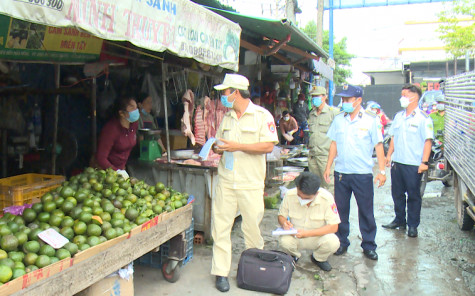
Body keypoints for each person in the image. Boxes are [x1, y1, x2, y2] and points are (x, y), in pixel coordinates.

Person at [211, 73, 278, 292]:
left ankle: (254, 270)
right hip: (227, 181)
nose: (222, 96)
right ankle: (221, 273)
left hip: (250, 182)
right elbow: (222, 142)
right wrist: (217, 147)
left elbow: (268, 146)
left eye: (225, 92)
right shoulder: (227, 117)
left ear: (236, 92)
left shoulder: (261, 115)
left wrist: (237, 146)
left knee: (251, 229)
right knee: (220, 228)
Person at [323, 84, 387, 261]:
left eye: (347, 99)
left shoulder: (370, 120)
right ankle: (341, 242)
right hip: (342, 173)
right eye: (342, 99)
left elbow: (379, 146)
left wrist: (381, 171)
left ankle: (369, 245)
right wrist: (328, 166)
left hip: (362, 174)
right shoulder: (339, 119)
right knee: (340, 211)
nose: (344, 102)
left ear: (358, 100)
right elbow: (334, 144)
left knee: (365, 211)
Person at [383, 84, 433, 238]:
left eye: (405, 95)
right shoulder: (398, 116)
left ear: (414, 97)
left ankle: (412, 225)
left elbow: (428, 141)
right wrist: (388, 155)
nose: (401, 98)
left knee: (413, 196)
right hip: (398, 163)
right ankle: (399, 220)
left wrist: (424, 162)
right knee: (397, 194)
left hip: (414, 164)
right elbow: (393, 137)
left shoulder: (423, 118)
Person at [278, 172, 340, 271]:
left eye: (307, 198)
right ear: (297, 188)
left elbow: (334, 226)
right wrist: (284, 223)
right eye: (299, 195)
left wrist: (307, 233)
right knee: (284, 241)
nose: (302, 199)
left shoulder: (327, 198)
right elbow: (281, 215)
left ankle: (318, 258)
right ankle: (294, 255)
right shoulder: (290, 195)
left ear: (317, 193)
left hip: (317, 237)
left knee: (333, 242)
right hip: (295, 235)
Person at [95, 96, 139, 179]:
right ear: (121, 113)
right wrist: (116, 171)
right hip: (106, 173)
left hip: (122, 169)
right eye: (132, 108)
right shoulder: (111, 129)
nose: (136, 111)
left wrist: (121, 170)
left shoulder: (134, 124)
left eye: (136, 107)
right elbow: (101, 158)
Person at [307, 86, 339, 194]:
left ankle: (330, 210)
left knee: (329, 186)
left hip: (326, 157)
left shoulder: (333, 113)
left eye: (317, 96)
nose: (314, 98)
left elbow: (338, 136)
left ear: (324, 97)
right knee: (315, 187)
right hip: (313, 156)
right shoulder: (311, 114)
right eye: (313, 96)